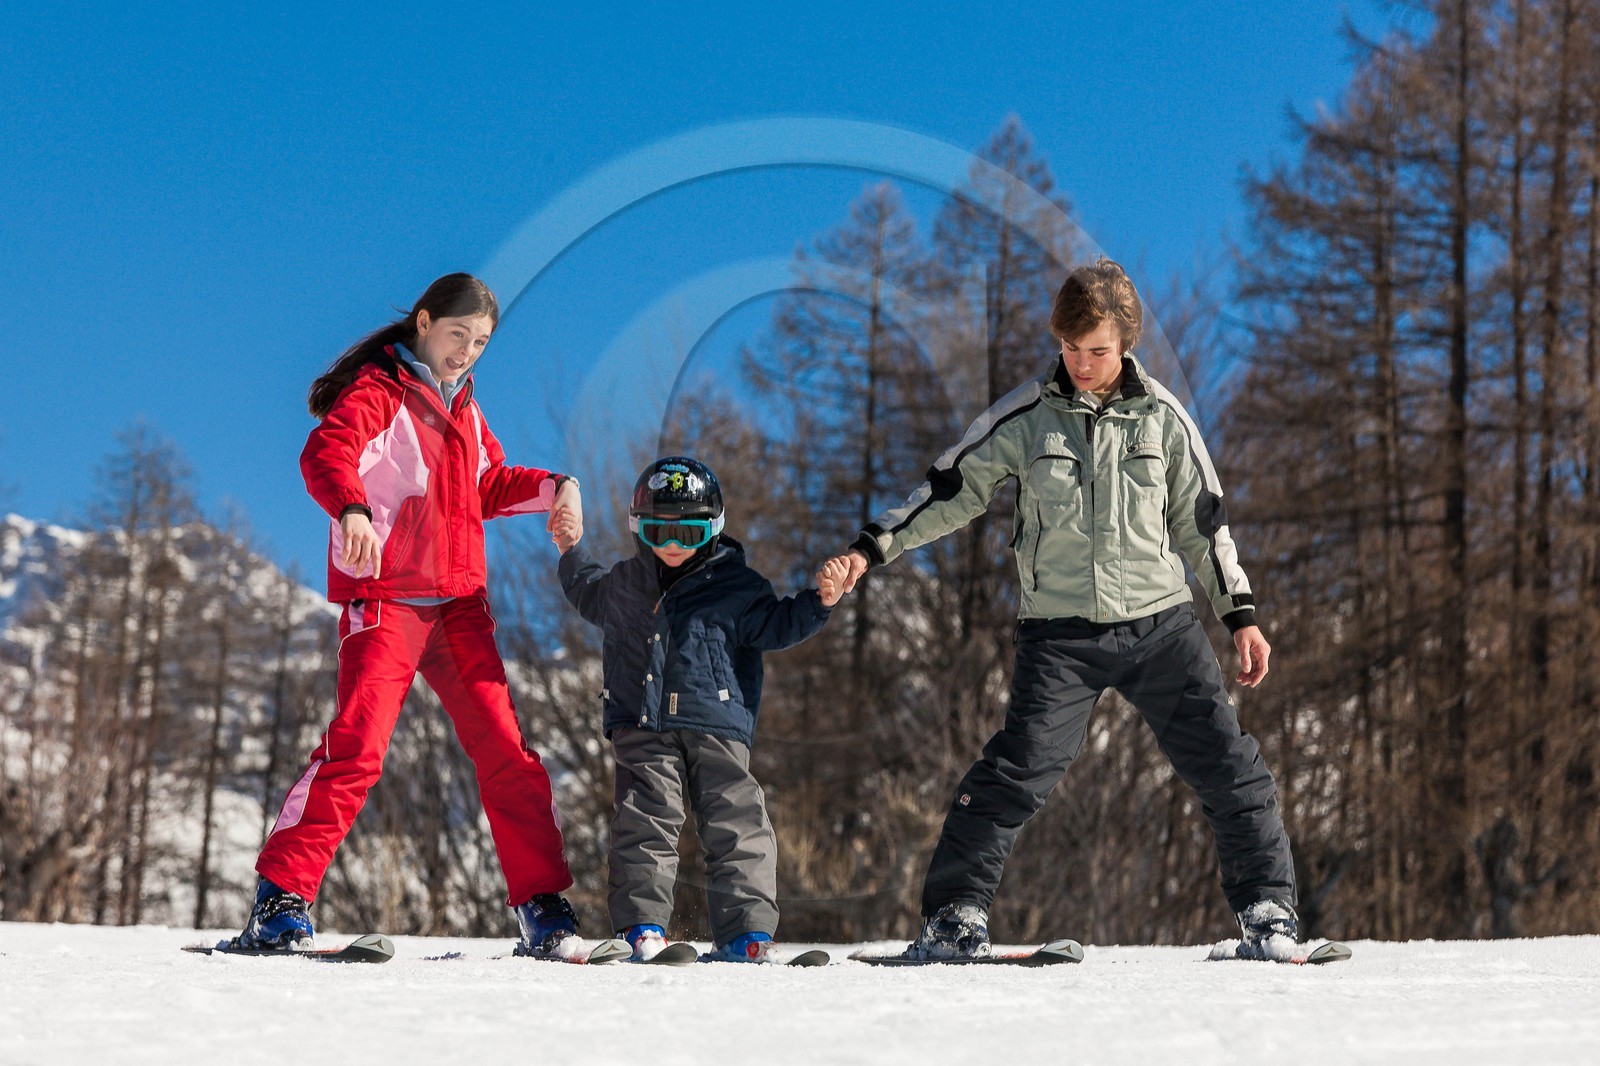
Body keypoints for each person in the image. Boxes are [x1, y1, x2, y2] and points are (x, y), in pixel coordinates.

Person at [828, 257, 1299, 961]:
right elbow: (950, 490)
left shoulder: (1165, 419)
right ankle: (955, 916)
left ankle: (1267, 910)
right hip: (1060, 635)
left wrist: (1241, 615)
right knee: (1019, 767)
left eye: (1098, 351)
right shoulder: (1025, 415)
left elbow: (1203, 525)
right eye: (1070, 349)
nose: (1082, 363)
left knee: (1227, 763)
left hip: (1160, 626)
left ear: (1126, 345)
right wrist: (871, 550)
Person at [233, 272, 593, 959]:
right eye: (458, 334)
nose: (467, 351)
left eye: (481, 342)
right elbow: (327, 451)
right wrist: (352, 508)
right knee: (359, 748)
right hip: (389, 599)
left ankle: (542, 907)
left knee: (508, 753)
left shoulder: (465, 408)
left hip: (458, 606)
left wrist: (556, 487)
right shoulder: (381, 391)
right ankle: (280, 900)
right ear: (424, 322)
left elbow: (488, 484)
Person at [553, 456, 848, 962]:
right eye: (657, 531)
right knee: (646, 819)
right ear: (637, 528)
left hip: (718, 723)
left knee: (737, 820)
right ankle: (642, 929)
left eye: (687, 533)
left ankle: (747, 934)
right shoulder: (625, 583)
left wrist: (820, 602)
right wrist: (570, 548)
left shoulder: (738, 587)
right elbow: (586, 590)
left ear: (712, 530)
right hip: (642, 723)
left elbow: (778, 625)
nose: (671, 545)